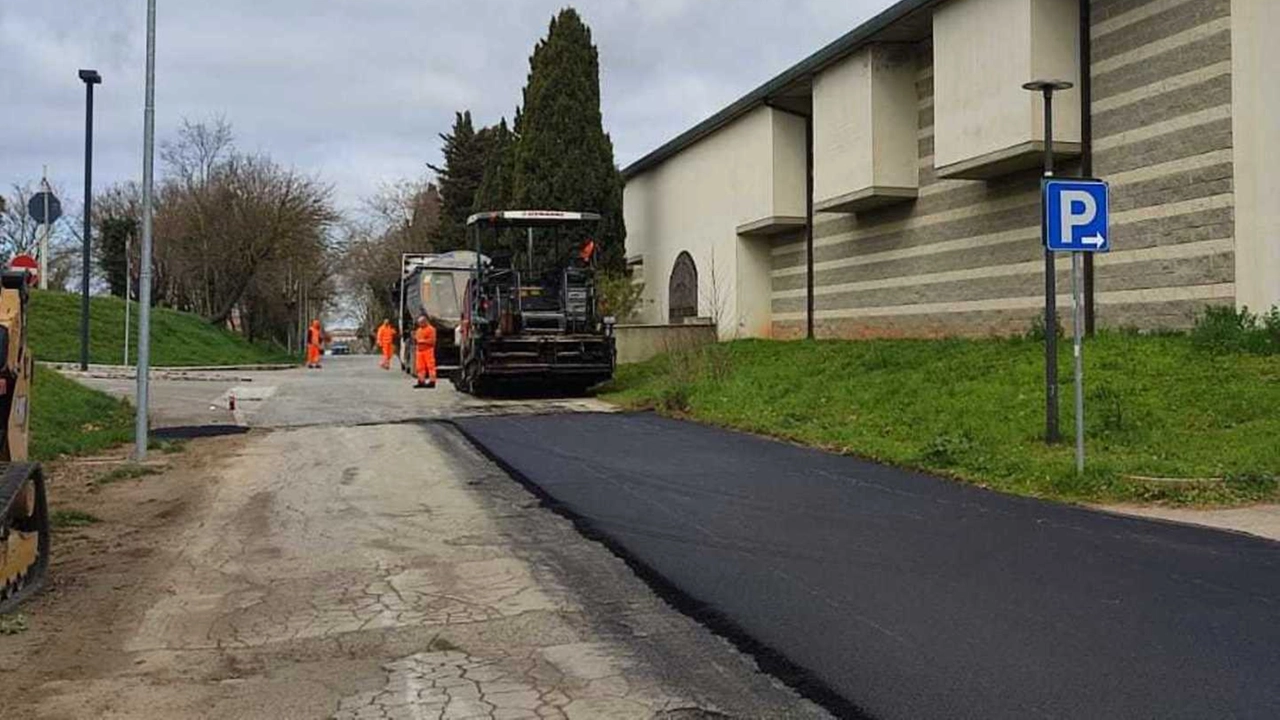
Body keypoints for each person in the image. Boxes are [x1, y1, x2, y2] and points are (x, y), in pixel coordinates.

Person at [413, 314, 437, 389]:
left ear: (425, 322)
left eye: (421, 322)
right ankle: (421, 381)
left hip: (428, 350)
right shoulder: (418, 330)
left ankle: (432, 382)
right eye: (419, 323)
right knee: (420, 367)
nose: (420, 324)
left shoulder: (431, 329)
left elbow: (432, 341)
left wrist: (422, 341)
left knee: (430, 367)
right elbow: (416, 340)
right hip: (419, 351)